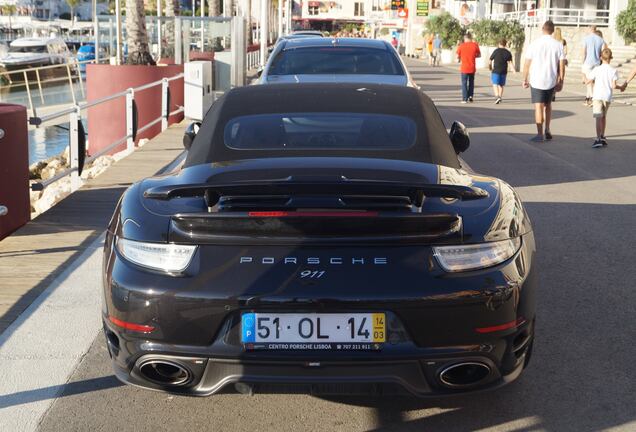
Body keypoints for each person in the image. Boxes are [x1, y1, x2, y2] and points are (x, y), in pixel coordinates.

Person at [522, 20, 565, 142]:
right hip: (551, 79)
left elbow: (527, 63)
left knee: (538, 107)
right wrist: (561, 80)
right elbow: (561, 65)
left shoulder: (534, 44)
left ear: (542, 29)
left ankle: (539, 134)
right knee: (548, 105)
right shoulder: (558, 45)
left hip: (536, 79)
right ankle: (547, 129)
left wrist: (524, 78)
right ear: (552, 30)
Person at [584, 49, 626, 148]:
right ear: (611, 58)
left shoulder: (597, 69)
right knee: (603, 117)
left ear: (600, 57)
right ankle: (602, 135)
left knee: (598, 117)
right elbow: (614, 86)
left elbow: (588, 81)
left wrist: (584, 76)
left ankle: (598, 138)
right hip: (607, 96)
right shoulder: (613, 70)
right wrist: (621, 87)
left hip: (597, 96)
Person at [581, 25, 606, 106]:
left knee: (588, 82)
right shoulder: (601, 40)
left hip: (588, 62)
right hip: (597, 63)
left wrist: (582, 62)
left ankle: (592, 98)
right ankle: (588, 99)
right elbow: (603, 53)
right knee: (594, 82)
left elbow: (584, 52)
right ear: (595, 30)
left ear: (590, 29)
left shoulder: (586, 38)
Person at [456, 33, 481, 103]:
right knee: (471, 82)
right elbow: (479, 55)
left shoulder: (461, 45)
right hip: (472, 67)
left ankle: (464, 98)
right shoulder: (475, 45)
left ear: (465, 38)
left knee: (464, 83)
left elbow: (457, 56)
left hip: (464, 68)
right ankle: (470, 96)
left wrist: (459, 59)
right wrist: (473, 56)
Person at [489, 38, 514, 104]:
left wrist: (490, 67)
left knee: (495, 84)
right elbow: (510, 62)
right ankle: (500, 96)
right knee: (501, 85)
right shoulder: (508, 52)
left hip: (496, 70)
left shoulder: (496, 51)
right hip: (504, 71)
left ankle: (497, 97)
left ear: (499, 44)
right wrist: (513, 69)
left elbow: (490, 59)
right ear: (505, 44)